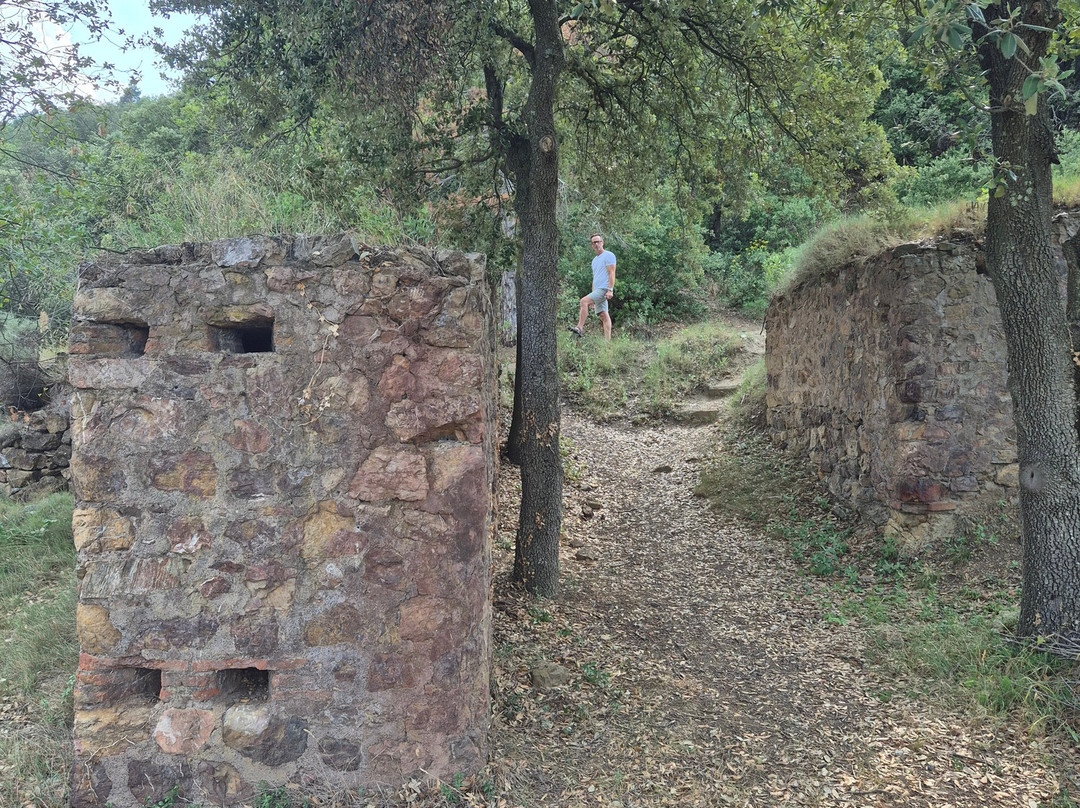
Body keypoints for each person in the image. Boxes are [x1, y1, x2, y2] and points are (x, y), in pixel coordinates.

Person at [569, 233, 616, 340]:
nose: (596, 244)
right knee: (603, 315)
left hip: (604, 289)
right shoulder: (594, 260)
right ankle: (607, 344)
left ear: (602, 243)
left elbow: (612, 273)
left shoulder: (608, 255)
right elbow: (595, 278)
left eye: (598, 242)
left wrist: (610, 290)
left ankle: (579, 328)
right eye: (594, 242)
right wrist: (592, 296)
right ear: (592, 245)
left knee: (583, 301)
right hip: (597, 289)